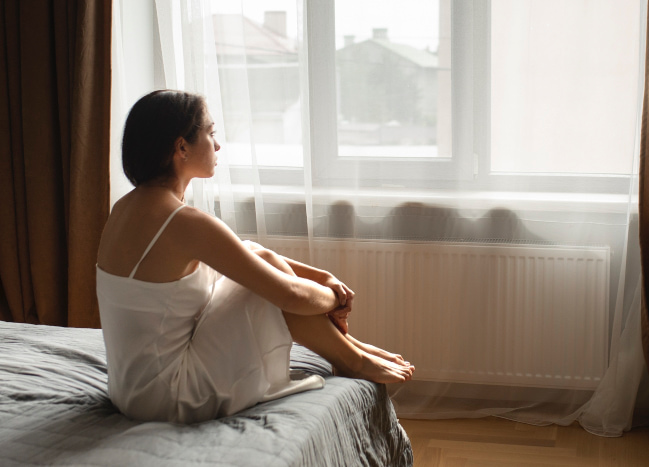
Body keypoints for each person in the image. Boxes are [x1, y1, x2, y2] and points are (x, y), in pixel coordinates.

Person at [96, 90, 413, 423]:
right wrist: (333, 297)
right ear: (182, 147)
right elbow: (288, 295)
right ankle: (354, 359)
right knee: (269, 284)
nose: (217, 146)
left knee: (254, 255)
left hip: (131, 390)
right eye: (211, 133)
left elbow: (244, 252)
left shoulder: (128, 207)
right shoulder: (182, 223)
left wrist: (323, 278)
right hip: (170, 396)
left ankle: (352, 351)